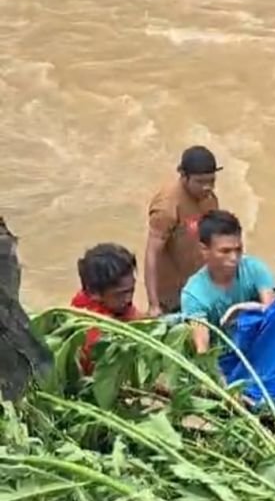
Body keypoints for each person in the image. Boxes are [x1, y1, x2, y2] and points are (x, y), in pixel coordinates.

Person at [181, 210, 275, 354]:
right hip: (223, 355)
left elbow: (272, 315)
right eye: (225, 251)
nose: (234, 257)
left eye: (238, 249)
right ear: (204, 250)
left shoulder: (255, 268)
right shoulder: (194, 294)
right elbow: (203, 349)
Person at [144, 145, 221, 317]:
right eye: (200, 182)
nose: (207, 187)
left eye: (211, 181)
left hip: (201, 286)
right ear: (183, 176)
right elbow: (152, 254)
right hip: (172, 296)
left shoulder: (209, 199)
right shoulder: (167, 206)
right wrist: (153, 304)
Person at [71, 243, 143, 373]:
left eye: (131, 291)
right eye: (121, 294)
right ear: (94, 294)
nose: (128, 299)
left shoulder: (115, 304)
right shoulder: (94, 333)